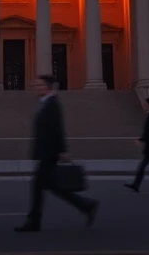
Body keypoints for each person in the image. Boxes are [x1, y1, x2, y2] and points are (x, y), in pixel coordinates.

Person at [15, 75, 98, 232]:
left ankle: (34, 221)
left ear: (47, 87)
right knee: (49, 186)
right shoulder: (46, 103)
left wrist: (62, 150)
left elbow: (57, 128)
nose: (36, 88)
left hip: (50, 152)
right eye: (35, 85)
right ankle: (86, 205)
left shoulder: (52, 104)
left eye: (39, 85)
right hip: (47, 151)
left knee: (40, 185)